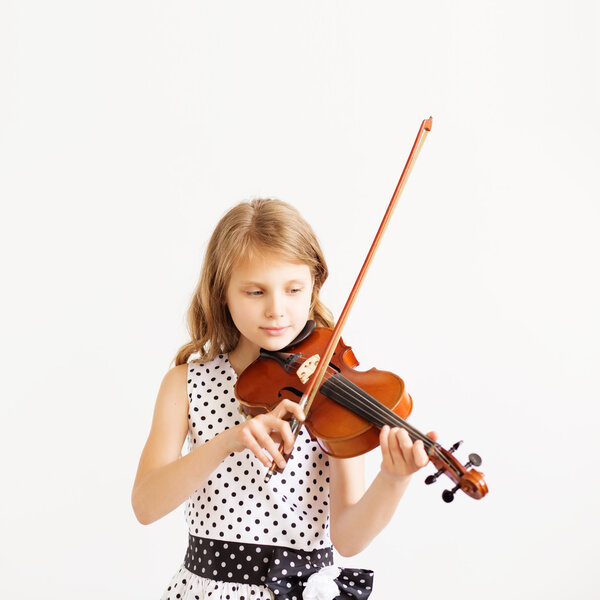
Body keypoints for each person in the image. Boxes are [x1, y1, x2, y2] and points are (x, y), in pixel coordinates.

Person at [132, 198, 435, 600]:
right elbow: (146, 505)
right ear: (222, 292)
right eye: (255, 291)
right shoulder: (187, 383)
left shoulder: (332, 388)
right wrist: (229, 440)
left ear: (313, 286)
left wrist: (393, 480)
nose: (277, 310)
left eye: (294, 289)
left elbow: (348, 538)